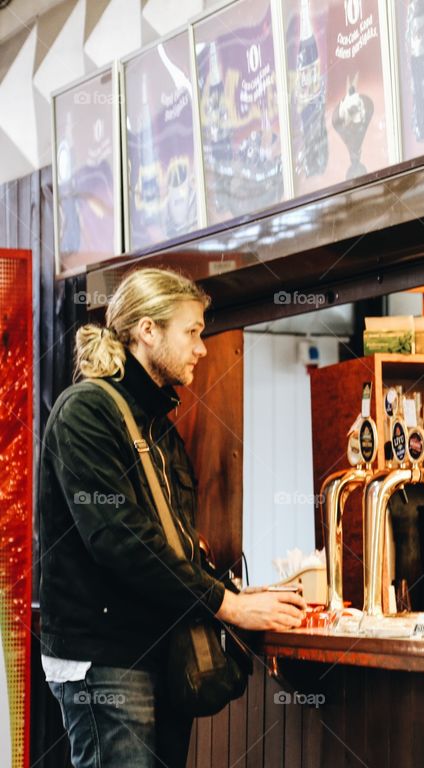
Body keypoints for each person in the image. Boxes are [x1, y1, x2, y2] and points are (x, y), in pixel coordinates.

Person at [39, 268, 307, 768]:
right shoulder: (85, 413)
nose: (201, 347)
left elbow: (173, 544)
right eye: (192, 331)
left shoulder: (158, 426)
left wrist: (235, 591)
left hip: (159, 654)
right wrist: (226, 604)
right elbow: (121, 540)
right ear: (147, 331)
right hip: (106, 659)